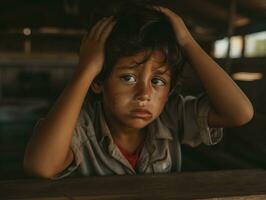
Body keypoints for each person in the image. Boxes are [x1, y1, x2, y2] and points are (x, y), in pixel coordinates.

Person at [23, 2, 253, 179]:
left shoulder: (172, 116)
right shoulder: (82, 127)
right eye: (128, 78)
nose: (144, 94)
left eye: (158, 81)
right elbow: (41, 166)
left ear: (170, 89)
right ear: (98, 81)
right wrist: (86, 70)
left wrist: (187, 43)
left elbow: (240, 112)